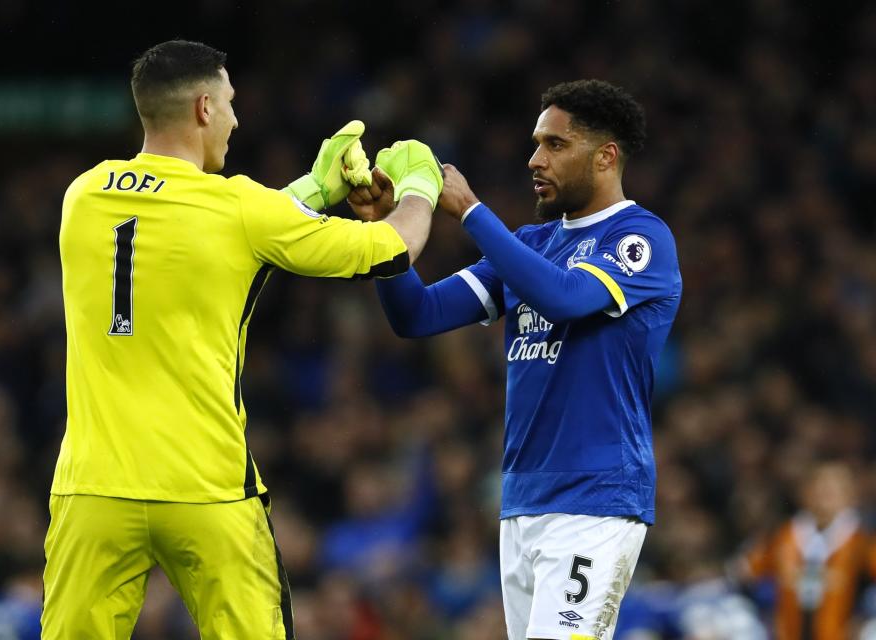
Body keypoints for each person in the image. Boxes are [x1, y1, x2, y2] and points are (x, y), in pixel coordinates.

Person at [41, 39, 443, 639]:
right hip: (207, 490)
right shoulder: (237, 207)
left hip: (93, 491)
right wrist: (420, 188)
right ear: (204, 108)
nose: (236, 118)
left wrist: (312, 187)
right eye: (229, 103)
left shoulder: (83, 196)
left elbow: (203, 233)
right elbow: (389, 251)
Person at [354, 79, 682, 639]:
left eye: (555, 145)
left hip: (596, 501)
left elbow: (568, 298)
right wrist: (382, 230)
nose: (535, 159)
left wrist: (473, 212)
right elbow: (418, 315)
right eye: (536, 144)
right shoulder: (530, 244)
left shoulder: (640, 237)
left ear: (605, 156)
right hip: (523, 502)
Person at [737, 461, 876, 639]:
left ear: (850, 495)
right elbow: (747, 570)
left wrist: (864, 618)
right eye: (820, 487)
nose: (825, 494)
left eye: (834, 489)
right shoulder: (785, 535)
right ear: (805, 493)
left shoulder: (862, 540)